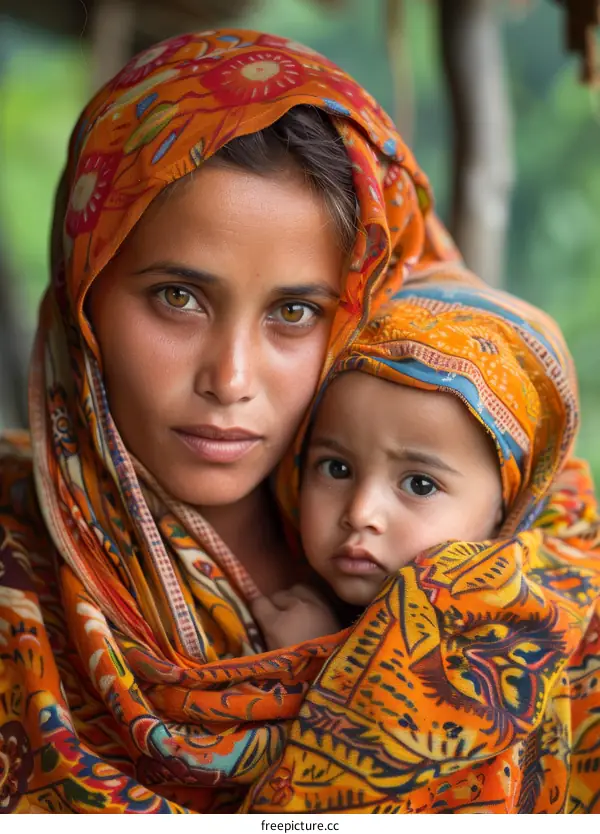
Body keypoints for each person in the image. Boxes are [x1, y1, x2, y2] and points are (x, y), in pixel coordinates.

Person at [0, 29, 598, 815]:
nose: (232, 380)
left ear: (361, 311)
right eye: (178, 297)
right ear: (87, 292)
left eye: (294, 311)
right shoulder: (19, 566)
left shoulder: (533, 561)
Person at [252, 281, 568, 649]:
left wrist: (318, 656)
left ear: (507, 509)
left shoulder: (516, 638)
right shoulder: (290, 578)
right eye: (336, 468)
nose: (360, 513)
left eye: (420, 485)